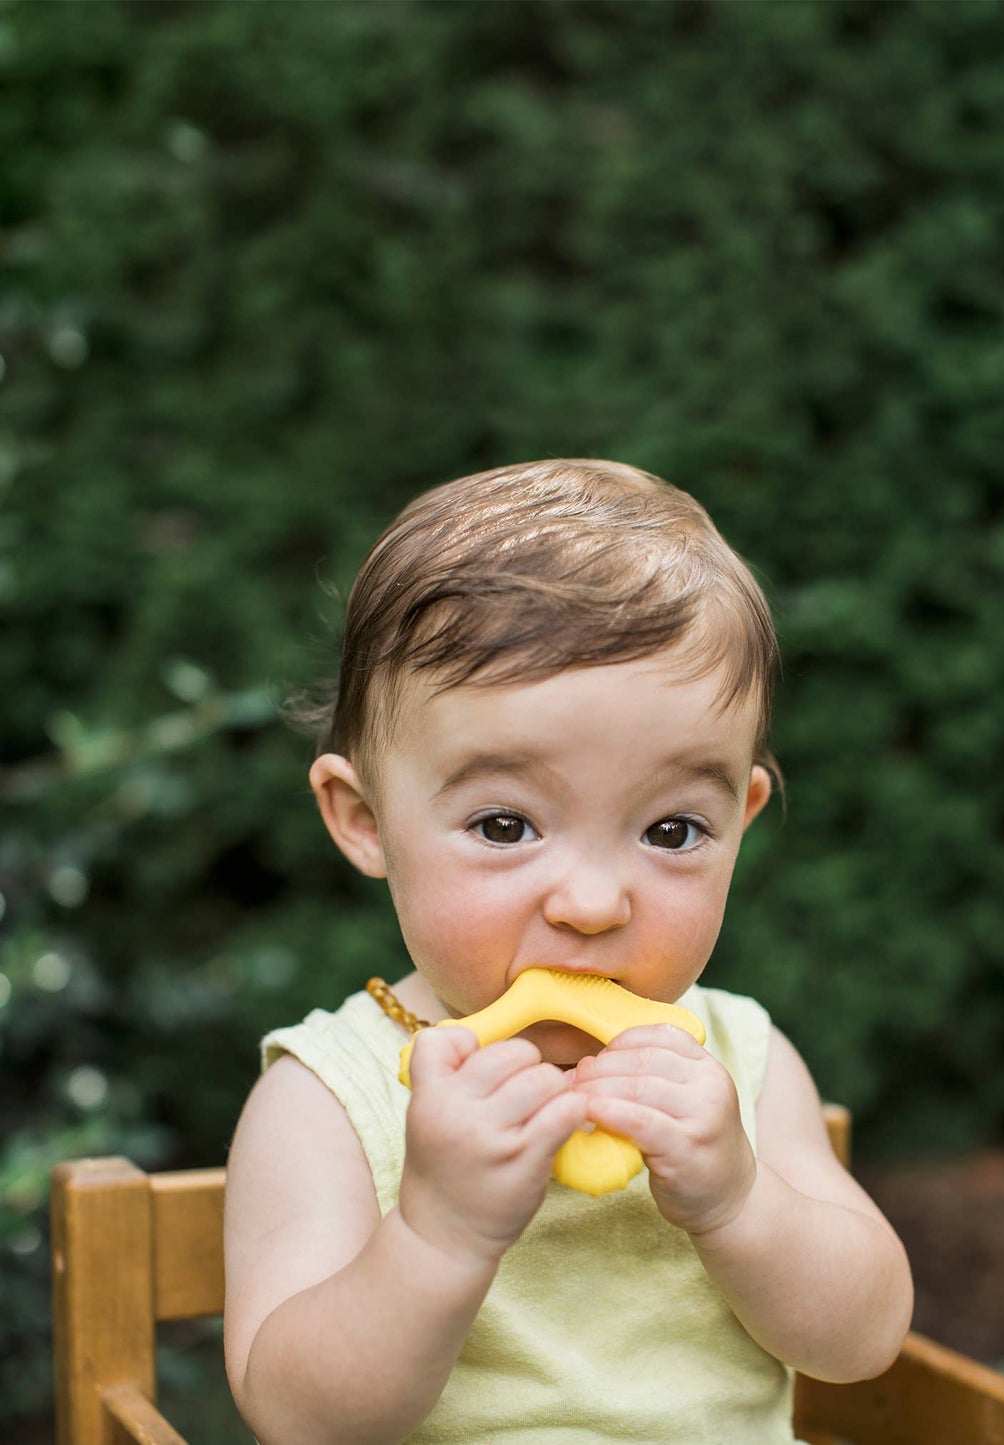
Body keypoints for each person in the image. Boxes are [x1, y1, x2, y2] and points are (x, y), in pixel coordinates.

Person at [223, 458, 914, 1444]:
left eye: (671, 830)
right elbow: (298, 1415)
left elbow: (862, 1336)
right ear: (365, 818)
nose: (593, 901)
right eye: (504, 823)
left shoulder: (739, 1060)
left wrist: (737, 1200)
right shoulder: (332, 1095)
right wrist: (438, 1231)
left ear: (741, 819)